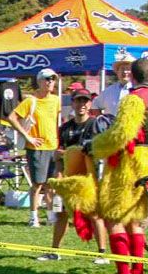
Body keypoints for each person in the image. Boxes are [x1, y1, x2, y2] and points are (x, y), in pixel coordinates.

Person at [90, 58, 148, 274]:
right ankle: (137, 271)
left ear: (134, 77)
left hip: (128, 163)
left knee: (114, 217)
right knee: (135, 220)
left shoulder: (134, 98)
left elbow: (121, 134)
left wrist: (96, 146)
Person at [40, 85, 110, 263]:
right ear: (72, 103)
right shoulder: (65, 128)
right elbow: (58, 154)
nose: (82, 104)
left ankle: (102, 253)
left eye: (85, 101)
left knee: (94, 214)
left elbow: (102, 151)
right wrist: (58, 175)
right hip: (67, 178)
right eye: (78, 100)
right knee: (60, 214)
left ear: (90, 103)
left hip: (88, 178)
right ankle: (54, 251)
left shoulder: (96, 124)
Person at [7, 68, 61, 228]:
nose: (50, 82)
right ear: (39, 81)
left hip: (53, 146)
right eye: (47, 79)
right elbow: (12, 117)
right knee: (37, 184)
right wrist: (27, 136)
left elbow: (56, 121)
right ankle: (33, 217)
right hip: (36, 147)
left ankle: (51, 216)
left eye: (53, 79)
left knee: (50, 184)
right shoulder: (31, 100)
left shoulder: (56, 100)